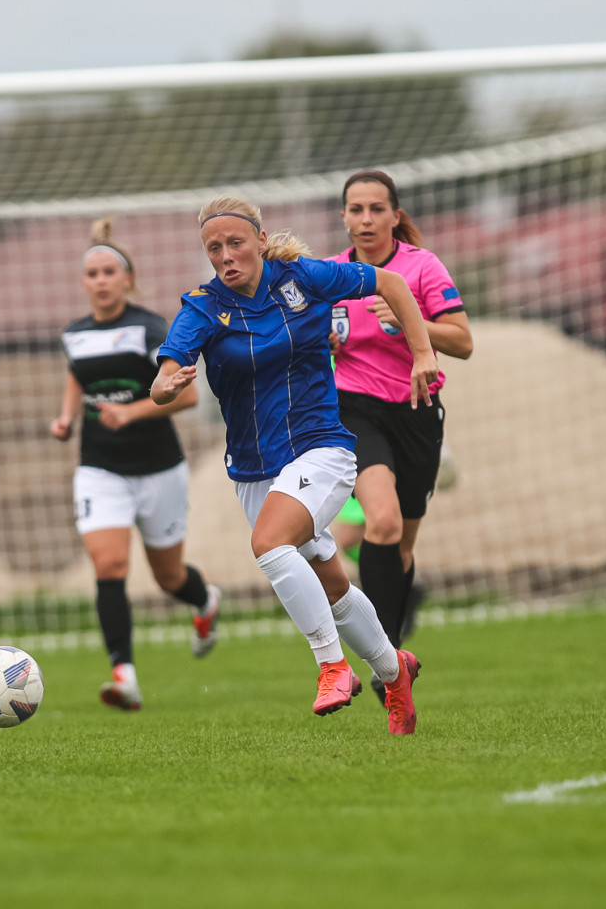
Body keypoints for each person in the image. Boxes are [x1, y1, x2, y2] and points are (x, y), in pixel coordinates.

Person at [150, 194, 437, 735]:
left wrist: (422, 352)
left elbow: (392, 284)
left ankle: (332, 666)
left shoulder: (303, 278)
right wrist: (165, 385)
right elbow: (166, 373)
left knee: (268, 544)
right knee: (332, 586)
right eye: (214, 248)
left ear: (260, 241)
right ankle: (393, 670)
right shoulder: (203, 307)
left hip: (322, 447)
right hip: (254, 469)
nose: (226, 256)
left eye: (236, 243)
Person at [50, 218, 222, 712]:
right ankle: (123, 675)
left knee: (169, 578)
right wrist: (65, 418)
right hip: (100, 468)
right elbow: (77, 376)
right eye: (93, 274)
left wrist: (130, 412)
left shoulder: (149, 328)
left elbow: (186, 398)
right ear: (83, 282)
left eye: (110, 272)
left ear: (127, 278)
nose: (101, 280)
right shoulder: (75, 334)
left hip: (159, 467)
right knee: (110, 565)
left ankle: (205, 602)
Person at [326, 170, 474, 700]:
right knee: (382, 523)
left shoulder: (422, 266)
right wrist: (320, 343)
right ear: (343, 217)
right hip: (354, 411)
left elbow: (463, 342)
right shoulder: (330, 275)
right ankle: (386, 659)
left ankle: (391, 648)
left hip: (417, 411)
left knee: (403, 545)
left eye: (376, 209)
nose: (365, 219)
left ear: (395, 215)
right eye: (356, 209)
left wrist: (412, 322)